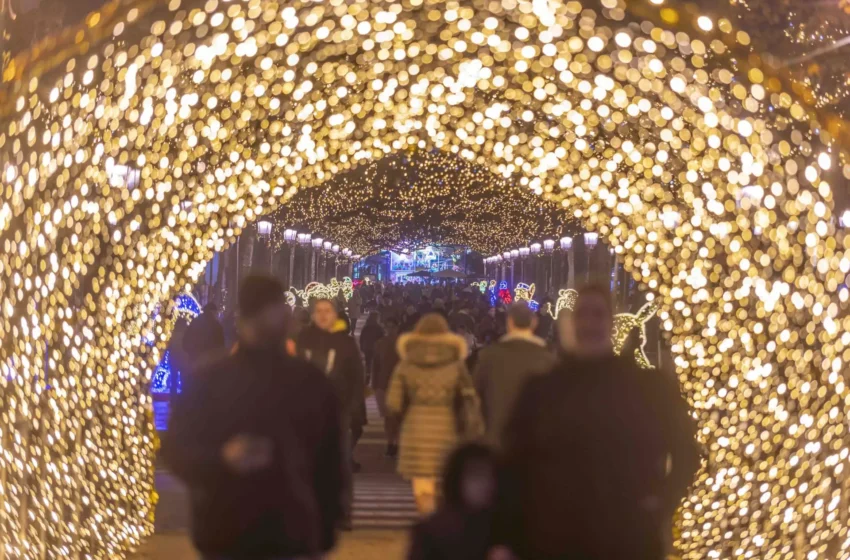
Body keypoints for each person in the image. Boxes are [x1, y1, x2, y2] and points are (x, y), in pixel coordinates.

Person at [502, 284, 701, 560]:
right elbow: (512, 461)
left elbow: (685, 452)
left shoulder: (647, 388)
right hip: (556, 538)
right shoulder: (543, 389)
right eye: (582, 314)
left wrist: (659, 505)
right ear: (570, 323)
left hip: (626, 537)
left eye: (598, 314)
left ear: (611, 322)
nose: (589, 323)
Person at [162, 275, 347, 559]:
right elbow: (176, 449)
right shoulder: (307, 380)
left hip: (259, 532)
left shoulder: (307, 381)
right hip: (247, 533)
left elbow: (331, 460)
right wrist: (223, 458)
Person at [386, 313, 483, 515]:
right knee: (444, 475)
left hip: (416, 426)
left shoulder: (407, 363)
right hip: (447, 425)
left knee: (422, 479)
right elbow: (469, 396)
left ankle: (427, 516)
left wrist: (404, 414)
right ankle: (442, 519)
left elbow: (392, 402)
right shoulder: (456, 363)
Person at [472, 303, 557, 448]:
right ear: (534, 323)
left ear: (509, 322)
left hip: (496, 439)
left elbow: (474, 398)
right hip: (536, 444)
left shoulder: (489, 356)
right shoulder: (548, 360)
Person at [298, 299, 367, 473]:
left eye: (327, 311)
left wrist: (354, 401)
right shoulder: (302, 339)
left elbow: (357, 375)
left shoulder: (345, 343)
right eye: (319, 311)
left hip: (338, 400)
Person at [408, 444, 511, 560]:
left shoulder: (505, 526)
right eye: (476, 475)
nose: (486, 484)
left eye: (491, 476)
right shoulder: (433, 531)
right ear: (457, 479)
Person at [372, 317, 401, 457]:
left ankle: (396, 443)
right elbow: (375, 365)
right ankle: (391, 443)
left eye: (392, 327)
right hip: (384, 385)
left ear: (397, 328)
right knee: (389, 418)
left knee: (398, 417)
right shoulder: (380, 344)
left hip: (399, 385)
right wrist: (375, 384)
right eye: (388, 327)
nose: (390, 330)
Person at [181, 303, 226, 377]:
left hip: (195, 362)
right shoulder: (216, 326)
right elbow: (221, 346)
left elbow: (186, 341)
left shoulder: (195, 323)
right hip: (210, 364)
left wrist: (190, 353)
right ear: (213, 312)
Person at [359, 312, 384, 381]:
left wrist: (361, 346)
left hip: (367, 348)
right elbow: (382, 338)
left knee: (368, 362)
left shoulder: (366, 327)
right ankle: (375, 377)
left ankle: (368, 375)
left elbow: (362, 338)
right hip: (376, 348)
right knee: (376, 363)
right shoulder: (379, 328)